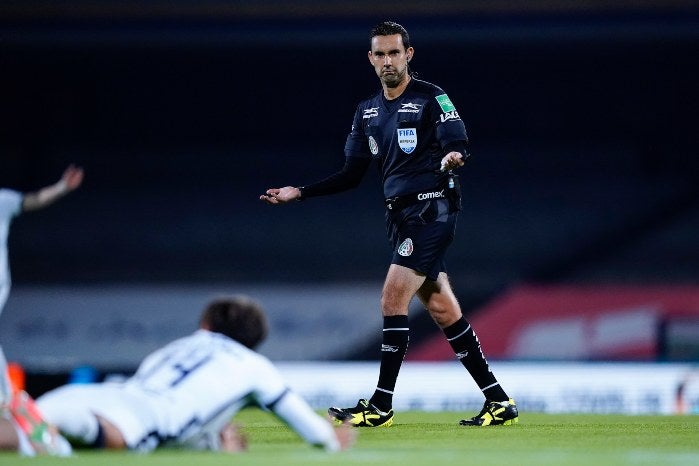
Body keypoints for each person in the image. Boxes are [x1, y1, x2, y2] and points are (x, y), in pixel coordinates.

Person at [260, 21, 517, 427]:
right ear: (370, 59)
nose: (387, 61)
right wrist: (300, 191)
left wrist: (453, 157)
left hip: (433, 210)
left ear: (408, 54)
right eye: (379, 54)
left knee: (392, 298)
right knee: (442, 309)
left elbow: (457, 141)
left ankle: (380, 406)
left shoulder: (432, 97)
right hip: (399, 216)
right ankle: (499, 401)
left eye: (394, 53)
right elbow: (350, 174)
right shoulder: (367, 111)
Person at [0, 296, 354, 455]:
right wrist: (328, 438)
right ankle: (44, 435)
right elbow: (305, 424)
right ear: (254, 341)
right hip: (130, 419)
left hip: (95, 394)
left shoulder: (181, 345)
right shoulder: (253, 366)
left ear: (206, 325)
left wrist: (213, 441)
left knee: (30, 431)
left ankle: (33, 421)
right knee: (56, 442)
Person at [0, 164, 84, 456]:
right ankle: (52, 448)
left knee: (7, 401)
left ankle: (52, 448)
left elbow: (32, 200)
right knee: (7, 400)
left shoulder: (2, 201)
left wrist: (62, 187)